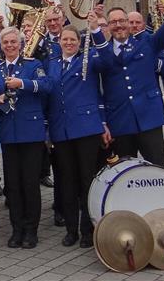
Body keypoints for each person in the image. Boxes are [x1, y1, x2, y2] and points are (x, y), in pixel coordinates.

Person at [87, 0, 164, 167]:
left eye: (122, 21)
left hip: (149, 118)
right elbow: (107, 62)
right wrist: (95, 32)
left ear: (127, 22)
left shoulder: (147, 42)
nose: (118, 25)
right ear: (108, 26)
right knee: (125, 171)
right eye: (113, 22)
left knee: (158, 167)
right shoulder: (101, 50)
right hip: (120, 121)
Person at [46, 26, 110, 248]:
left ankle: (87, 230)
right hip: (61, 130)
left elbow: (107, 61)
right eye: (65, 39)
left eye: (73, 39)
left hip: (86, 128)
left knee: (86, 180)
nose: (69, 43)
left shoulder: (88, 59)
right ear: (59, 42)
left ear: (79, 42)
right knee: (67, 181)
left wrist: (97, 30)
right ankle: (71, 230)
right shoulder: (52, 63)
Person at [0, 27, 52, 249]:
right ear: (1, 45)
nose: (9, 45)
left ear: (21, 44)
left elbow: (46, 86)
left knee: (30, 183)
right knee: (13, 185)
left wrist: (21, 83)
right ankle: (17, 229)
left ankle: (31, 230)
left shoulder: (32, 65)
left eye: (13, 42)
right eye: (5, 42)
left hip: (31, 132)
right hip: (8, 134)